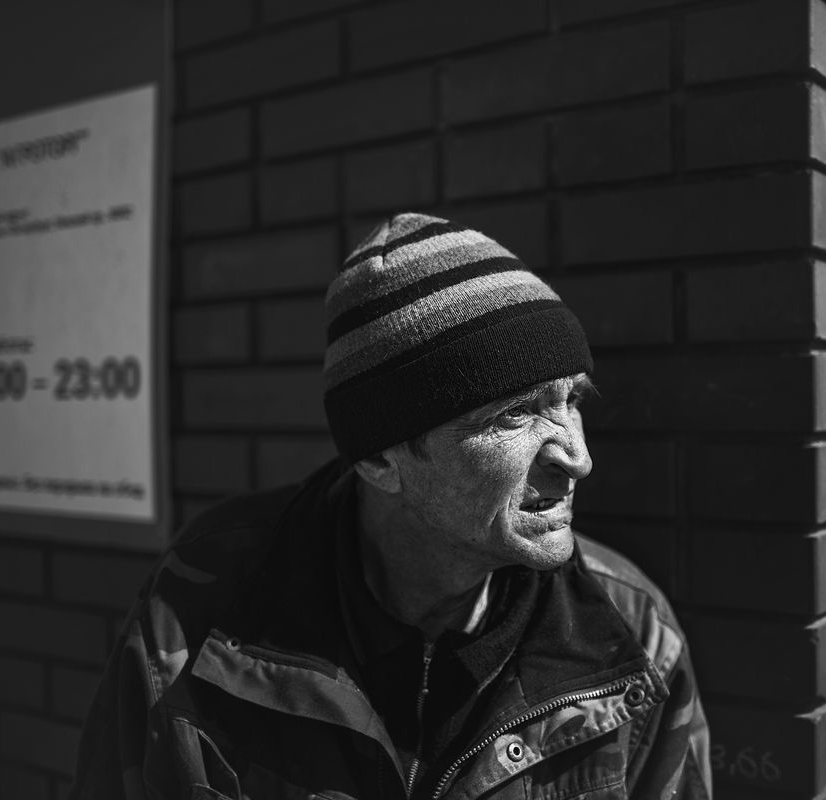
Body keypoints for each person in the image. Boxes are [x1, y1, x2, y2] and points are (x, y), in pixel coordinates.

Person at [70, 213, 711, 799]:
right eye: (516, 414)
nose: (577, 457)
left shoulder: (630, 632)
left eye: (572, 399)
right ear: (379, 458)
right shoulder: (201, 610)